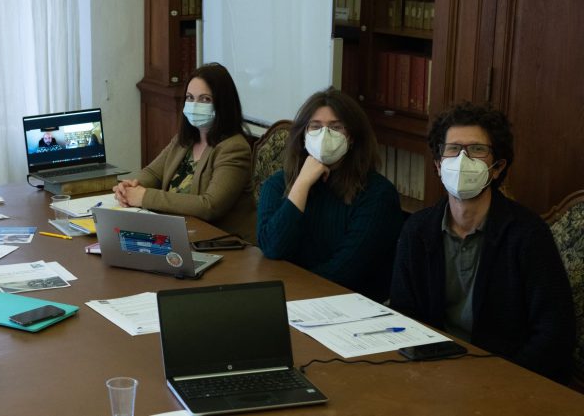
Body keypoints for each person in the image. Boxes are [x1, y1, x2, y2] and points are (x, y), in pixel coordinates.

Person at [390, 103, 574, 383]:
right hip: (433, 375)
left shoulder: (528, 235)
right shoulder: (417, 231)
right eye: (453, 149)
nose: (463, 158)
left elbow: (554, 334)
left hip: (508, 379)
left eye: (477, 149)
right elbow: (404, 316)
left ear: (497, 168)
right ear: (439, 165)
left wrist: (501, 382)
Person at [257, 88, 403, 302]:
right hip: (293, 300)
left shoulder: (378, 195)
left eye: (336, 127)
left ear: (351, 137)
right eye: (315, 127)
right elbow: (271, 247)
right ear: (304, 136)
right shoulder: (277, 185)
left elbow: (344, 273)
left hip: (350, 307)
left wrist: (291, 295)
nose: (325, 135)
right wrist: (302, 184)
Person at [113, 63, 257, 240]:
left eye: (205, 99)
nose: (195, 105)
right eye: (190, 98)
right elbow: (153, 173)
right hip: (181, 235)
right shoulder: (185, 139)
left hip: (222, 243)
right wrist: (130, 188)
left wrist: (144, 197)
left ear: (223, 104)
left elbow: (209, 206)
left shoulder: (234, 148)